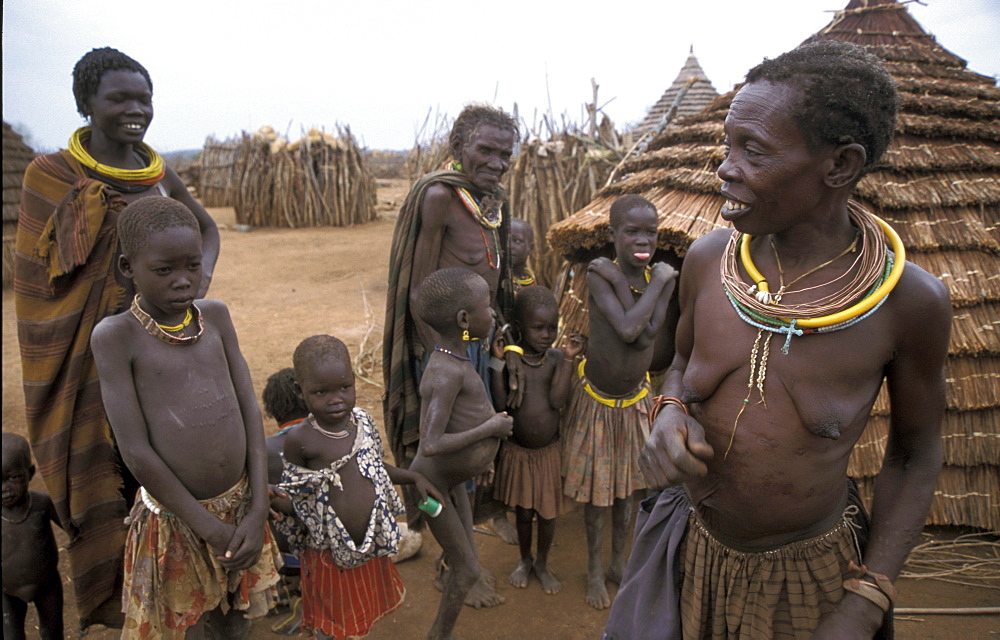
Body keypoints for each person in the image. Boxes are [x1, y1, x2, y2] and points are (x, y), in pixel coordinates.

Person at [605, 41, 950, 639]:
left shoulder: (908, 304)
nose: (725, 168)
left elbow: (915, 453)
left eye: (754, 150)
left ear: (839, 165)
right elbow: (683, 362)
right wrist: (669, 411)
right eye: (728, 144)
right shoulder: (710, 261)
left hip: (808, 579)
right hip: (687, 544)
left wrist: (866, 600)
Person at [13, 46, 220, 628]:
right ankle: (119, 598)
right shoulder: (49, 175)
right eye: (120, 99)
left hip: (155, 344)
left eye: (144, 99)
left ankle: (175, 584)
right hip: (83, 359)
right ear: (86, 104)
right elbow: (35, 279)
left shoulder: (155, 172)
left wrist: (195, 281)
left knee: (159, 459)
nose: (137, 110)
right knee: (104, 467)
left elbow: (204, 228)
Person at [90, 197, 279, 639]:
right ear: (126, 267)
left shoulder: (215, 317)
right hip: (177, 523)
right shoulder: (116, 338)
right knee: (191, 627)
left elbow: (249, 409)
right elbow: (136, 452)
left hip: (240, 508)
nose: (183, 281)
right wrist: (208, 527)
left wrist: (257, 508)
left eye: (193, 266)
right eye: (164, 270)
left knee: (238, 618)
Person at [383, 103, 521, 601]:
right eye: (486, 149)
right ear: (457, 148)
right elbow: (420, 290)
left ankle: (462, 564)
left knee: (461, 463)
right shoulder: (440, 197)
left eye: (505, 153)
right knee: (439, 463)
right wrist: (438, 359)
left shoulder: (490, 203)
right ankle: (457, 567)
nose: (497, 161)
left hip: (474, 347)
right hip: (445, 353)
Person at [269, 335, 442, 640]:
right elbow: (299, 498)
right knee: (332, 624)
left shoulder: (361, 421)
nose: (336, 399)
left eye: (345, 388)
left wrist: (413, 477)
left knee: (358, 617)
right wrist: (273, 500)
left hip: (368, 547)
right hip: (327, 555)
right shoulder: (302, 440)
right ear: (300, 391)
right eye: (321, 392)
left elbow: (374, 468)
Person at [561, 194, 677, 610]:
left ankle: (617, 564)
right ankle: (594, 571)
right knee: (597, 497)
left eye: (651, 232)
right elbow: (631, 329)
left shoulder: (646, 281)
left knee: (628, 493)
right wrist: (663, 282)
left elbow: (647, 337)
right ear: (613, 235)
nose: (643, 240)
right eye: (632, 231)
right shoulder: (600, 273)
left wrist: (655, 288)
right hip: (598, 401)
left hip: (634, 401)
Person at [407, 268, 515, 639]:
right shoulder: (446, 371)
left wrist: (481, 457)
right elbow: (431, 444)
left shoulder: (457, 357)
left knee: (469, 560)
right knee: (467, 569)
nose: (493, 314)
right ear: (465, 320)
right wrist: (492, 429)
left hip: (450, 483)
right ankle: (438, 635)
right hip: (430, 492)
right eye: (487, 307)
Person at [490, 286, 580, 594]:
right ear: (519, 328)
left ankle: (542, 562)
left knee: (548, 513)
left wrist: (568, 361)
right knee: (525, 514)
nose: (546, 334)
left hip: (548, 454)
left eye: (552, 328)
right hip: (519, 452)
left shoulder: (555, 359)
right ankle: (524, 561)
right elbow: (502, 404)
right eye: (538, 328)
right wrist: (497, 363)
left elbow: (557, 401)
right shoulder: (513, 362)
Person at [2, 433, 64, 640]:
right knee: (11, 636)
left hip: (47, 585)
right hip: (6, 591)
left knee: (52, 632)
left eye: (14, 478)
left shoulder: (41, 504)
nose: (5, 489)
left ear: (30, 473)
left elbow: (72, 528)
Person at [509, 218, 537, 293]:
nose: (509, 246)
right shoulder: (493, 281)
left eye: (517, 241)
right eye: (505, 240)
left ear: (530, 248)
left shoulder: (533, 281)